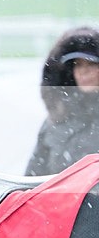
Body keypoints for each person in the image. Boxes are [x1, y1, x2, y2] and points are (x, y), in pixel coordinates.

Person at [26, 26, 99, 176]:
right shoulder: (55, 122)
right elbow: (32, 180)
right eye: (77, 64)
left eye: (91, 63)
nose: (83, 71)